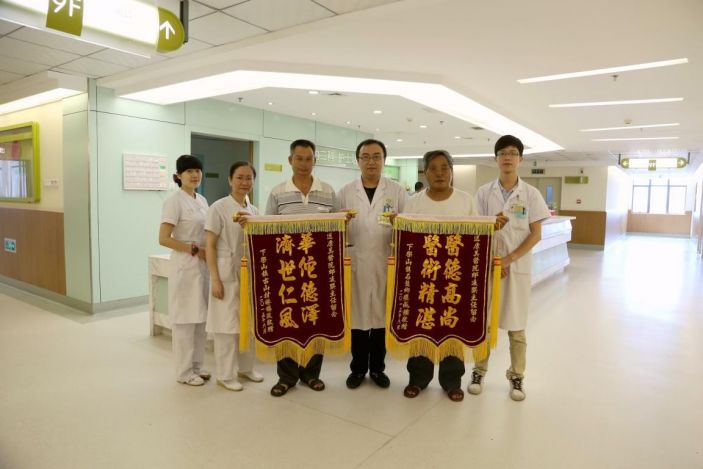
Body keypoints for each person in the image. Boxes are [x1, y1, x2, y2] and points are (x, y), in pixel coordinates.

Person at [469, 135, 550, 401]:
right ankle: (479, 371)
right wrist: (494, 261)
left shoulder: (531, 194)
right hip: (488, 267)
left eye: (513, 153)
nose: (507, 157)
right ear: (495, 158)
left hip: (516, 268)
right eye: (502, 153)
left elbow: (535, 234)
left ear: (520, 159)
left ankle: (517, 376)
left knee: (517, 328)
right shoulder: (483, 193)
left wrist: (508, 260)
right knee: (484, 323)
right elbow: (476, 230)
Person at [264, 139, 339, 397]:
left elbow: (337, 228)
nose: (304, 164)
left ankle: (311, 373)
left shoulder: (328, 192)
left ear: (315, 161)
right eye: (299, 158)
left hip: (318, 271)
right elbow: (267, 230)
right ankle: (286, 376)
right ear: (290, 160)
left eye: (309, 159)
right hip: (286, 270)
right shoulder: (277, 193)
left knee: (315, 320)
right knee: (286, 322)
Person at [401, 150, 477, 402]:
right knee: (421, 325)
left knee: (452, 326)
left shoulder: (466, 201)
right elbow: (405, 239)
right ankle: (418, 378)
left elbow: (478, 238)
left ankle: (452, 380)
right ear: (425, 173)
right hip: (423, 278)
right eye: (433, 168)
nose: (439, 173)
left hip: (455, 278)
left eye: (445, 168)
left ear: (452, 172)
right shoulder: (414, 203)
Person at [338, 139, 407, 390]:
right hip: (355, 263)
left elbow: (408, 227)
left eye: (376, 156)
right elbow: (334, 229)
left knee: (380, 318)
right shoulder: (345, 192)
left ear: (384, 160)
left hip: (385, 262)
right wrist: (341, 222)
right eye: (365, 157)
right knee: (358, 319)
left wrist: (400, 222)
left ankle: (378, 369)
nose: (371, 162)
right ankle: (357, 369)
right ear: (358, 161)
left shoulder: (397, 191)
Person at [204, 162, 264, 391]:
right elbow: (209, 245)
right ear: (230, 180)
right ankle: (225, 374)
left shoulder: (254, 210)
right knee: (226, 326)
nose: (244, 182)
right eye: (239, 177)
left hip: (249, 274)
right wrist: (215, 279)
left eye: (249, 178)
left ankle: (246, 368)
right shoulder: (218, 208)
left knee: (249, 323)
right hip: (225, 273)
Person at [159, 155, 210, 386]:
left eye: (197, 170)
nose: (194, 175)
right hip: (185, 264)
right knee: (185, 320)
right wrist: (194, 249)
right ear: (179, 176)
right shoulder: (174, 202)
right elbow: (163, 238)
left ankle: (196, 366)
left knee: (200, 318)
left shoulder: (202, 200)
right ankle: (184, 372)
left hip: (202, 265)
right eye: (189, 171)